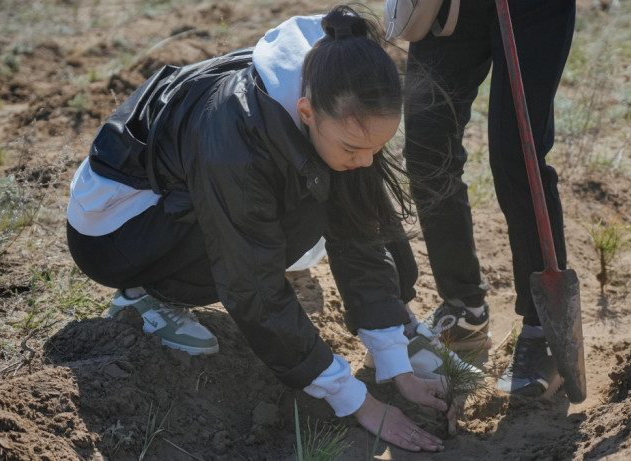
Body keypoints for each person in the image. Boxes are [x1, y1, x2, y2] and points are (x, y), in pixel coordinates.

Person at [66, 6, 454, 452]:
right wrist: (356, 401)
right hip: (116, 232)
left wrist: (394, 364)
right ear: (306, 111)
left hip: (176, 198)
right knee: (303, 214)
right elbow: (251, 282)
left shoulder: (339, 86)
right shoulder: (236, 137)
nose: (366, 158)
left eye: (377, 146)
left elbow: (358, 230)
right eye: (353, 146)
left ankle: (390, 336)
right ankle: (147, 296)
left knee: (346, 195)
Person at [399, 0, 576, 398]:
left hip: (532, 10)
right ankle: (465, 309)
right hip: (449, 9)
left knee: (517, 155)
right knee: (428, 152)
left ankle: (542, 329)